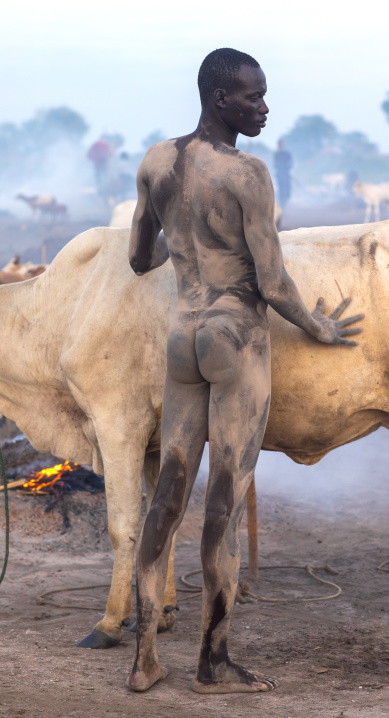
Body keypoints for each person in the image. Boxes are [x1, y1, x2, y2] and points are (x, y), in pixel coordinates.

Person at [127, 47, 364, 695]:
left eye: (262, 95)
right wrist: (321, 327)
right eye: (252, 97)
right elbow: (274, 281)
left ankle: (145, 658)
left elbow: (138, 259)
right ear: (217, 97)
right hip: (235, 340)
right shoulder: (248, 174)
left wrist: (188, 250)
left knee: (166, 500)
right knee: (223, 508)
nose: (263, 107)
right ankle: (213, 661)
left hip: (184, 337)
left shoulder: (155, 162)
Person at [273, 138, 292, 208]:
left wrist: (286, 169)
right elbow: (275, 164)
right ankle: (281, 205)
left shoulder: (287, 154)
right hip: (280, 175)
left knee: (287, 190)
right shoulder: (276, 154)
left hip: (286, 175)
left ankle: (284, 205)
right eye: (279, 144)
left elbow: (290, 164)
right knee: (281, 190)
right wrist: (280, 168)